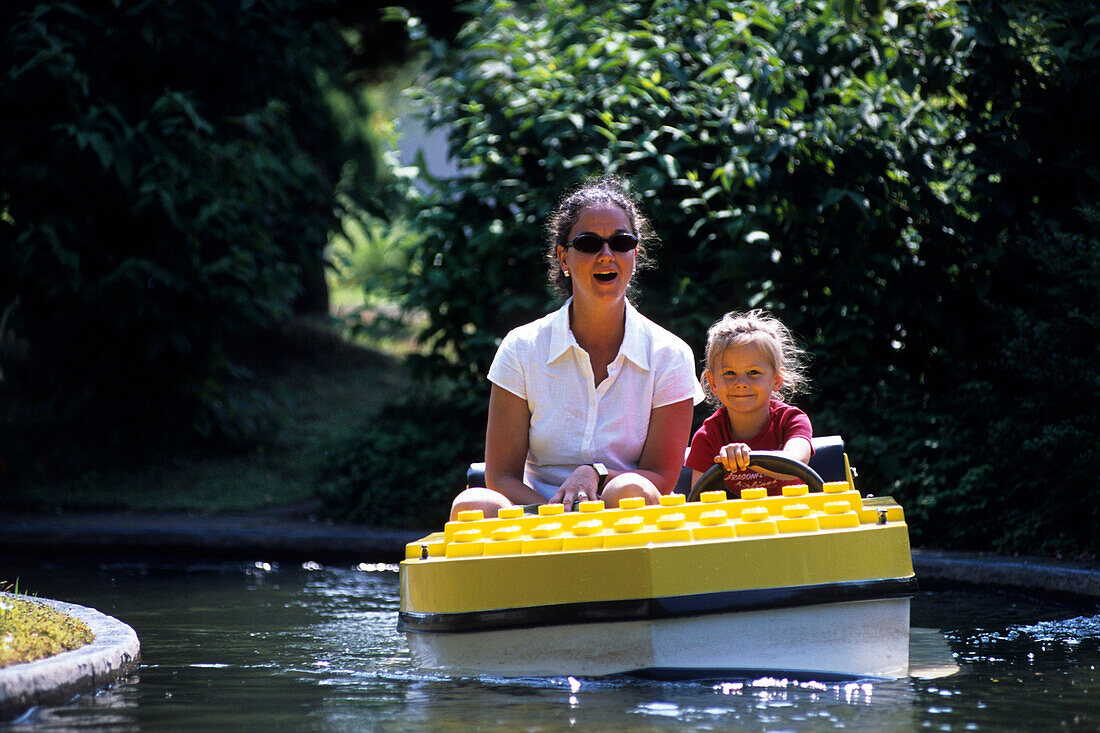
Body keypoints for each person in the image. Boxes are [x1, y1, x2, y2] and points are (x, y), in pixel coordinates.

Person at [450, 176, 705, 520]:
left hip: (624, 514)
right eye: (588, 244)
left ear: (635, 253)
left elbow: (660, 479)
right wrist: (557, 515)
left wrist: (596, 475)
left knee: (628, 490)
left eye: (620, 242)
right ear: (563, 258)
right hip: (538, 516)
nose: (606, 255)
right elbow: (502, 478)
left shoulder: (671, 355)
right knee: (471, 504)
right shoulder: (520, 348)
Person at [685, 310, 813, 496]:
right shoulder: (708, 436)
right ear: (713, 383)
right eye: (729, 373)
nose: (741, 384)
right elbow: (700, 499)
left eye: (753, 372)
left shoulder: (792, 420)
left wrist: (748, 458)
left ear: (777, 379)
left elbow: (794, 465)